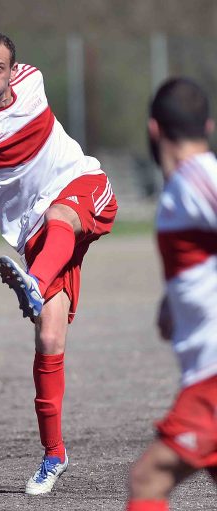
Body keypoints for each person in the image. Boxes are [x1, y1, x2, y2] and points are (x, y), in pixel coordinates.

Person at [0, 31, 118, 495]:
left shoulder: (34, 80)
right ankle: (54, 455)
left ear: (14, 71)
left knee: (59, 215)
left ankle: (32, 282)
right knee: (49, 339)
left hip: (81, 186)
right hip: (35, 235)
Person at [125, 78, 217, 511]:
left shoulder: (198, 177)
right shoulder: (186, 184)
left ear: (154, 129)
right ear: (208, 126)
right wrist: (172, 302)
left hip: (213, 379)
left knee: (148, 480)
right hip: (203, 372)